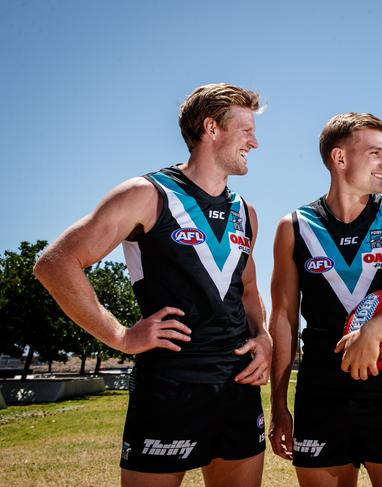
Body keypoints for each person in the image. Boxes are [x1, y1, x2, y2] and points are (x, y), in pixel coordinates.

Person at [33, 83, 271, 487]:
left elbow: (247, 289)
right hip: (169, 387)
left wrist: (262, 336)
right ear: (211, 128)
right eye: (246, 130)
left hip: (236, 387)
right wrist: (122, 336)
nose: (256, 142)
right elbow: (55, 264)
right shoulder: (147, 194)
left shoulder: (244, 212)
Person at [268, 112, 382, 487]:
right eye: (375, 153)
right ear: (340, 158)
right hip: (320, 394)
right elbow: (283, 318)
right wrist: (279, 404)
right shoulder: (294, 227)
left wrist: (373, 332)